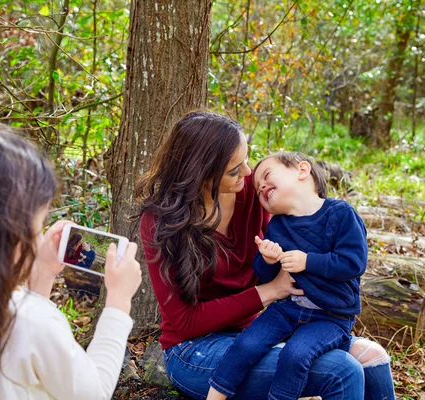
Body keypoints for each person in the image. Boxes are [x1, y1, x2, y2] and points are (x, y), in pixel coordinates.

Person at [137, 111, 395, 400]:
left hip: (261, 330)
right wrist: (270, 291)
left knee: (372, 358)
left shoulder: (254, 192)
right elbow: (185, 321)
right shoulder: (160, 222)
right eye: (235, 169)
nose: (247, 173)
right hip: (194, 349)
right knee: (342, 370)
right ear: (203, 173)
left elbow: (305, 221)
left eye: (246, 160)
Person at [0, 123, 143, 399]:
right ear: (8, 236)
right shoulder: (33, 322)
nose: (39, 239)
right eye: (37, 228)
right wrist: (118, 304)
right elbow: (94, 392)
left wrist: (42, 274)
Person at [207, 152, 367, 400]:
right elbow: (263, 275)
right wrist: (268, 260)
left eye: (267, 176)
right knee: (245, 344)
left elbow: (353, 262)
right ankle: (215, 395)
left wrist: (307, 261)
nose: (261, 187)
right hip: (288, 308)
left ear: (303, 170)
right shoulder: (278, 225)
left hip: (331, 315)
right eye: (259, 191)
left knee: (295, 355)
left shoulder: (341, 214)